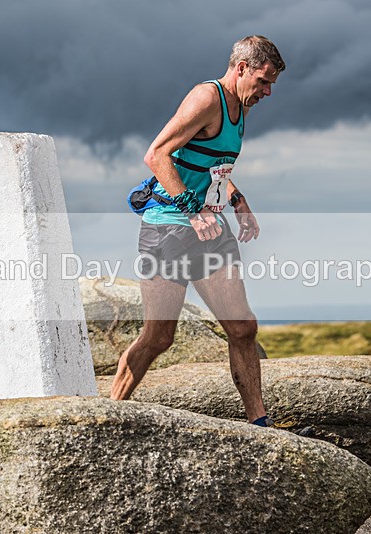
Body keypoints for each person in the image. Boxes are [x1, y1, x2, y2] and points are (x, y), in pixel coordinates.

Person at [111, 36, 285, 427]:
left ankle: (260, 424)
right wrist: (192, 211)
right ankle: (109, 414)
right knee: (158, 339)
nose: (268, 91)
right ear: (241, 68)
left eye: (272, 83)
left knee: (242, 327)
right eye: (263, 80)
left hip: (210, 230)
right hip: (169, 231)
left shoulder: (241, 106)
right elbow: (156, 155)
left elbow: (212, 167)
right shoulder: (207, 98)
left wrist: (239, 201)